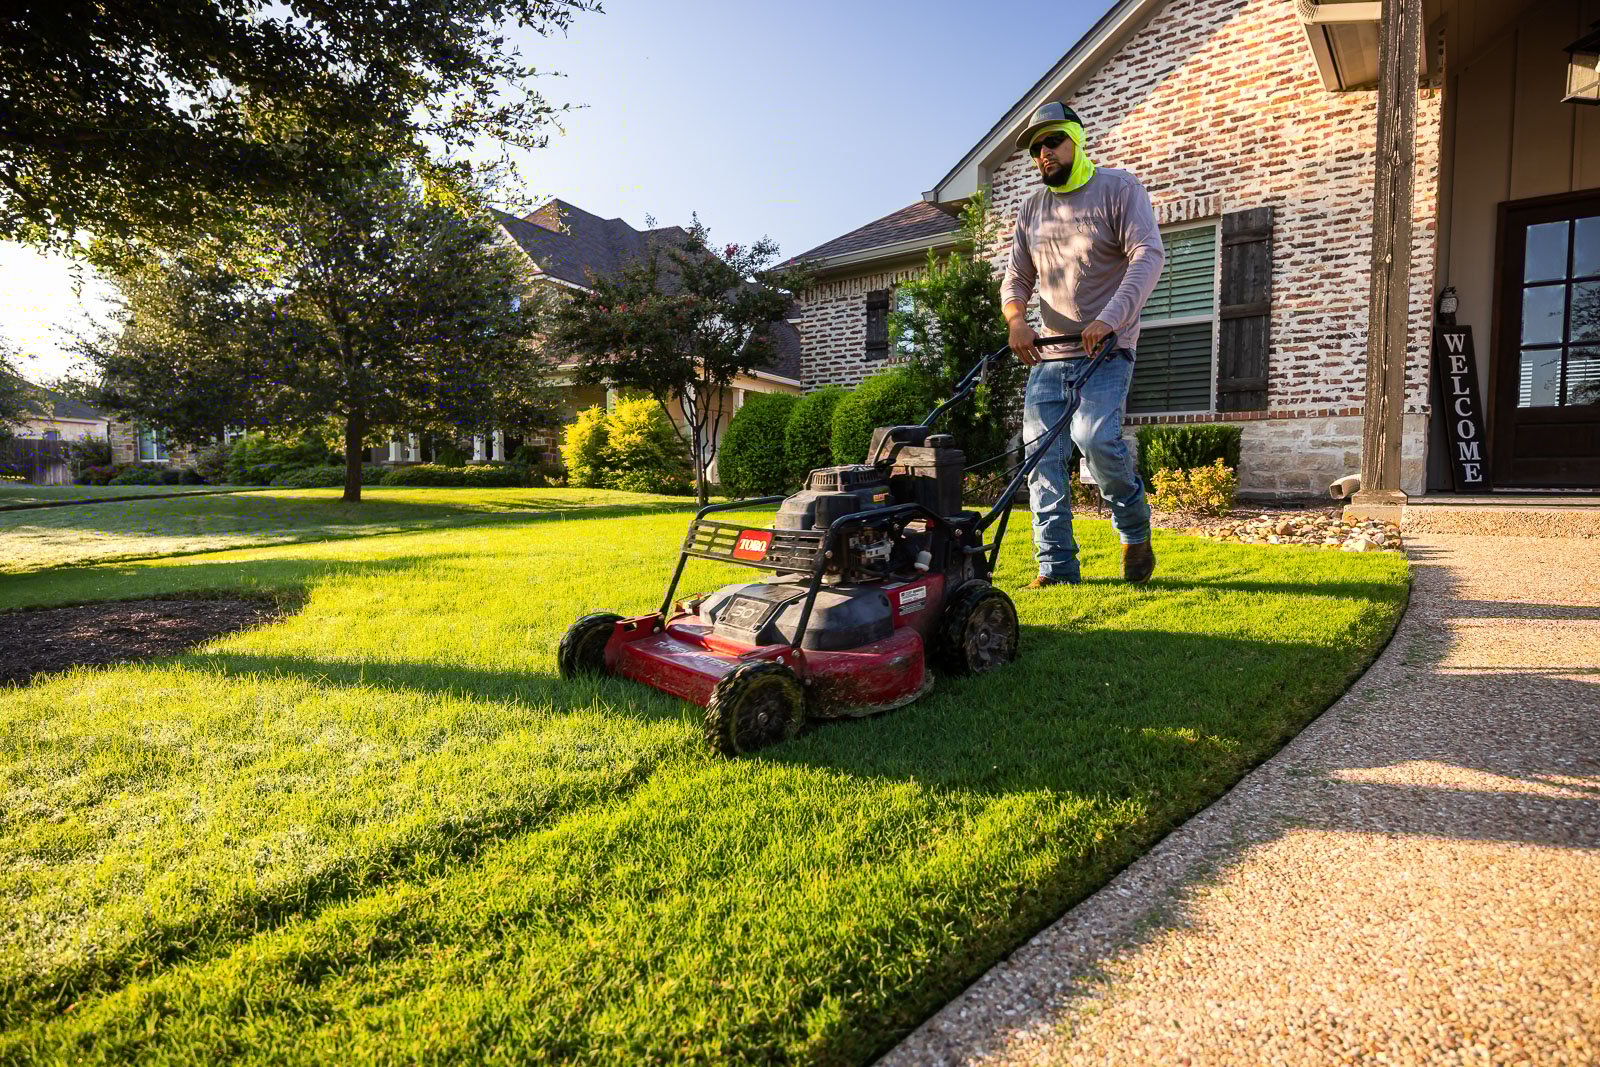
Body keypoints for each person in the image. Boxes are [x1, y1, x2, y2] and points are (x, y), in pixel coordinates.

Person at [1000, 101, 1164, 588]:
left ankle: (1133, 530)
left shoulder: (1119, 188)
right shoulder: (1032, 209)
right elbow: (1016, 277)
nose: (1043, 153)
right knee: (1040, 459)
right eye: (1036, 148)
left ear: (1077, 139)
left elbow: (1148, 255)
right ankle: (1056, 568)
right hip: (1049, 354)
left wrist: (1109, 319)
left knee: (1095, 440)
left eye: (1053, 141)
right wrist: (1017, 321)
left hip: (1107, 350)